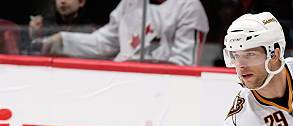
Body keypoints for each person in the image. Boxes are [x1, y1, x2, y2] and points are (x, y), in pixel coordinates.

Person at [37, 0, 209, 66]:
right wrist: (63, 41)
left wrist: (137, 66)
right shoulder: (130, 2)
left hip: (161, 92)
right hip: (120, 81)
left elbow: (185, 64)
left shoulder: (189, 7)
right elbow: (103, 43)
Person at [25, 0, 96, 54]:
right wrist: (34, 36)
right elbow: (34, 51)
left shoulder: (90, 30)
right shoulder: (45, 24)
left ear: (81, 2)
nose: (62, 1)